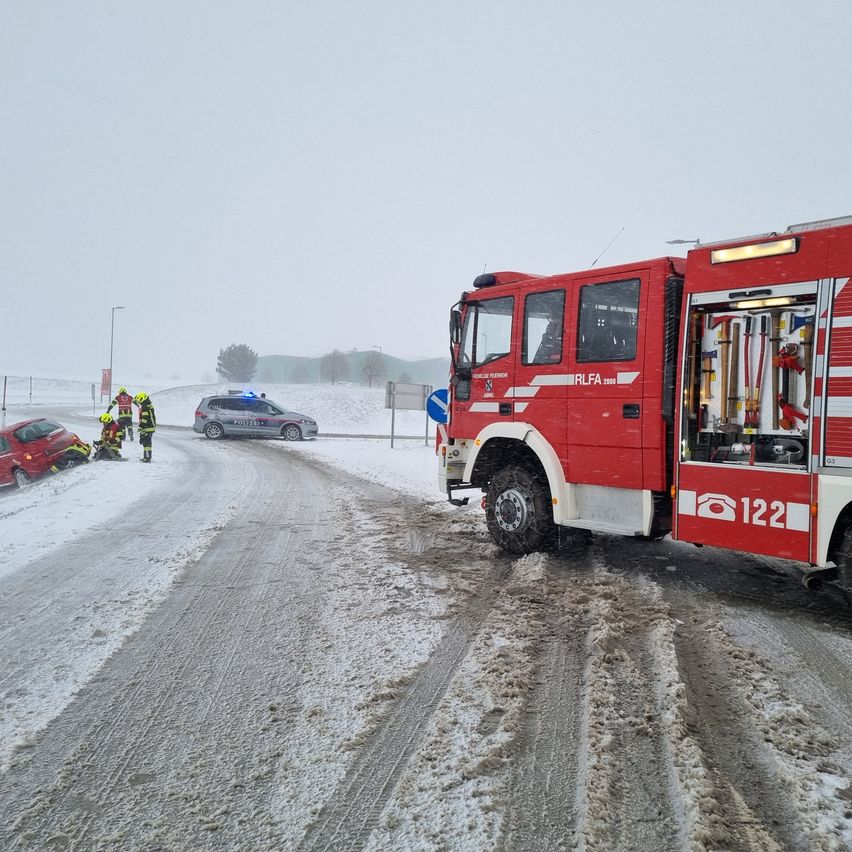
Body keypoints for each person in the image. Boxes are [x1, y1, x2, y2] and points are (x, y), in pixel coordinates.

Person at [135, 392, 156, 462]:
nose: (139, 402)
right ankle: (146, 457)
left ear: (142, 399)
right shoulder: (149, 405)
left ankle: (147, 458)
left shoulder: (145, 406)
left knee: (147, 444)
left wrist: (141, 426)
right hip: (151, 426)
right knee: (147, 443)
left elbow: (144, 418)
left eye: (139, 400)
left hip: (147, 427)